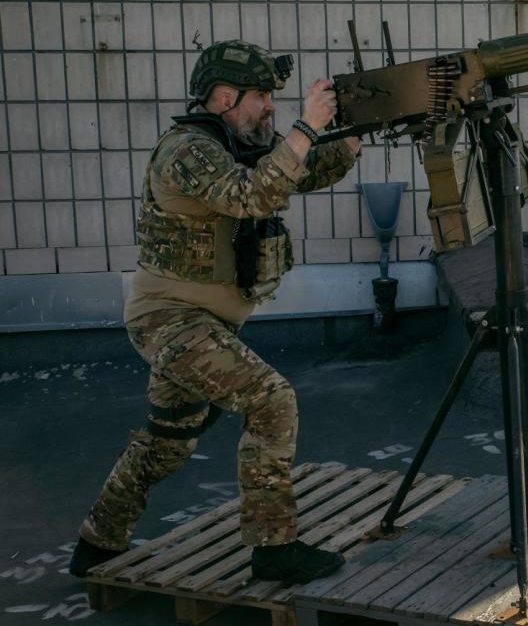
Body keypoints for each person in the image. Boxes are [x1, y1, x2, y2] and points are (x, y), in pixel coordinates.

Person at [69, 40, 363, 584]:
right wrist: (306, 123)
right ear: (226, 97)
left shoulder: (242, 140)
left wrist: (352, 129)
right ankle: (274, 548)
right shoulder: (188, 151)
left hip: (206, 324)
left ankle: (96, 543)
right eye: (262, 97)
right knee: (272, 401)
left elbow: (308, 170)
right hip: (171, 321)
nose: (271, 108)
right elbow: (252, 195)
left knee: (169, 444)